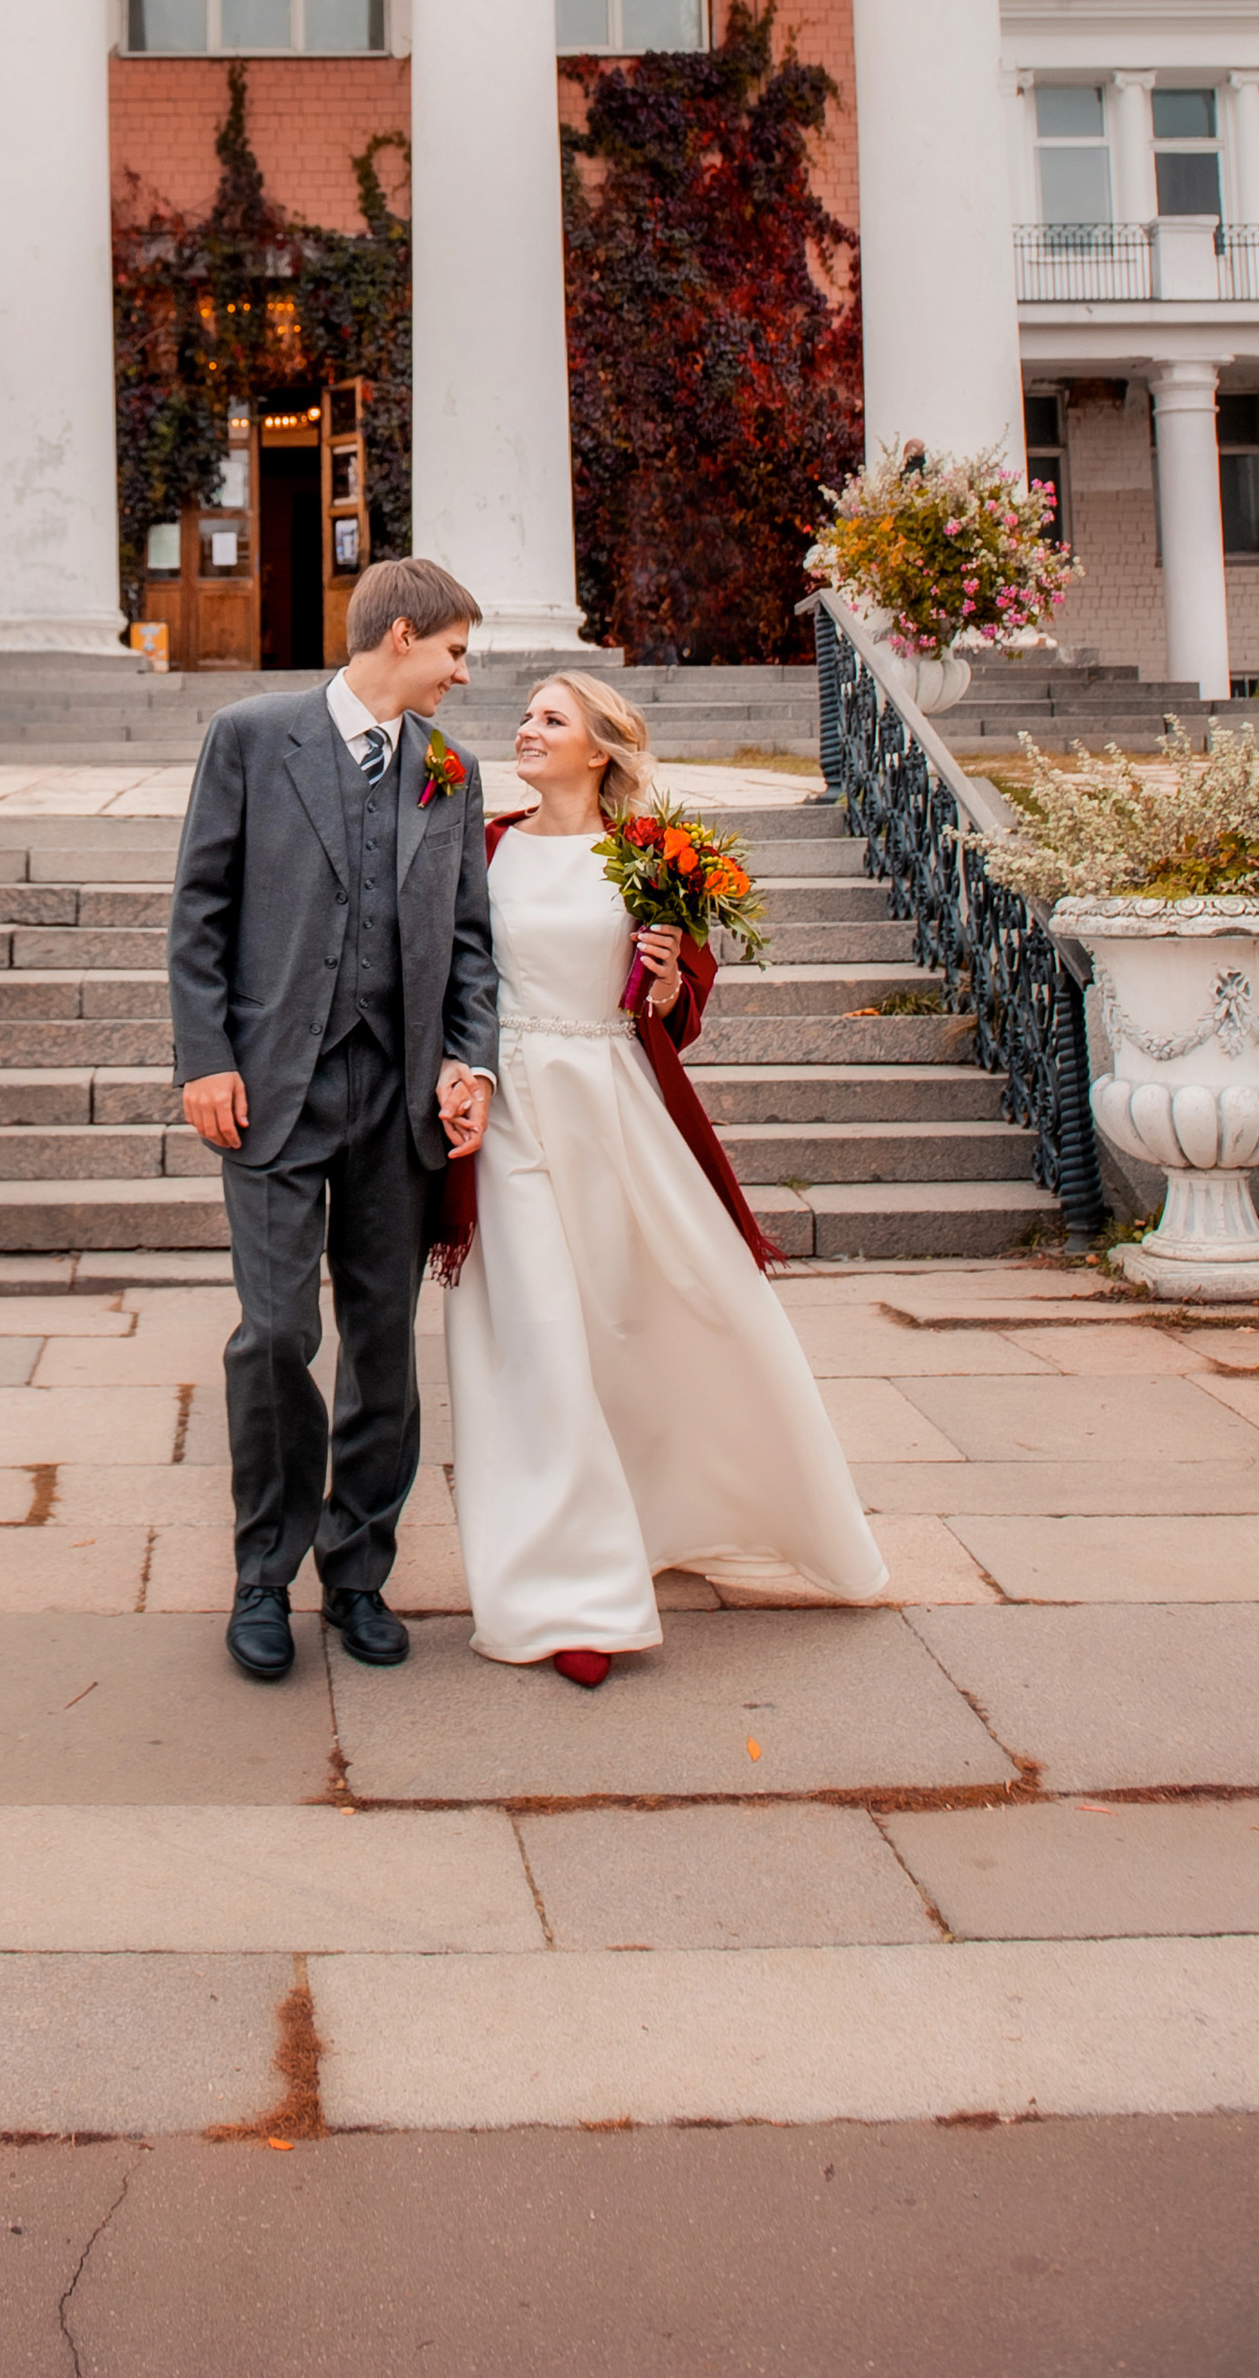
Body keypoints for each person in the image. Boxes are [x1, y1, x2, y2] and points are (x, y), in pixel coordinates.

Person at [443, 671, 887, 1685]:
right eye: (525, 715)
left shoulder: (647, 857)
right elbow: (446, 968)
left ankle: (699, 1504)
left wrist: (676, 971)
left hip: (611, 1101)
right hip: (506, 1105)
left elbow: (676, 990)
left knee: (668, 1311)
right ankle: (573, 1598)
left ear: (599, 747)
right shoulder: (486, 845)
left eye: (550, 718)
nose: (525, 728)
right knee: (537, 1337)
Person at [169, 554, 498, 1681]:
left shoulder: (449, 770)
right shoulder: (253, 736)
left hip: (396, 1098)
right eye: (455, 650)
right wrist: (204, 1058)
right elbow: (199, 907)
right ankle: (263, 1574)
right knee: (273, 1336)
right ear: (401, 635)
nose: (463, 673)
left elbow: (468, 942)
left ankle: (357, 1574)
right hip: (270, 1088)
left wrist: (470, 1062)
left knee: (382, 1353)